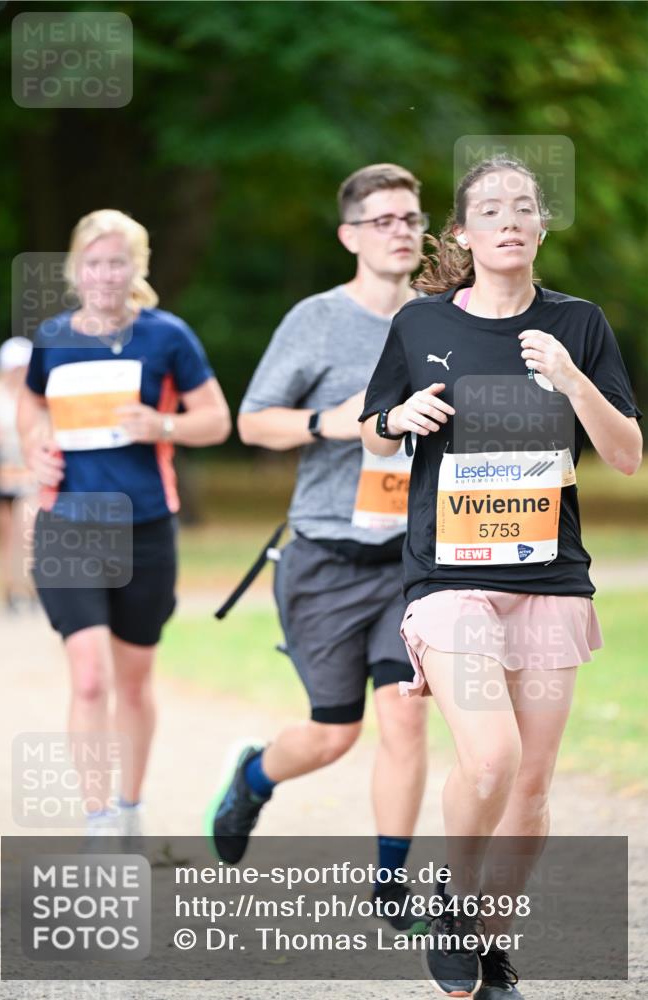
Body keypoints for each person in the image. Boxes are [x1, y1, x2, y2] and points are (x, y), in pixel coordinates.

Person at [360, 155, 642, 997]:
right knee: (489, 757)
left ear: (541, 228)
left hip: (550, 579)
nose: (510, 219)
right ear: (463, 233)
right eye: (491, 209)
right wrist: (395, 416)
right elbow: (374, 434)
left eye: (524, 206)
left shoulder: (579, 325)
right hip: (447, 577)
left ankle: (487, 944)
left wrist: (569, 376)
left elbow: (626, 456)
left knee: (529, 782)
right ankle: (450, 895)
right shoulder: (418, 324)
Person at [207, 163, 430, 934]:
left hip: (412, 558)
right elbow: (252, 422)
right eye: (383, 221)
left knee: (404, 712)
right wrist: (327, 423)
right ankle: (255, 776)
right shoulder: (316, 320)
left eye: (410, 218)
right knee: (334, 733)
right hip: (326, 559)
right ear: (350, 236)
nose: (400, 231)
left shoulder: (443, 319)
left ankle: (392, 882)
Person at [18, 209, 231, 837]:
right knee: (89, 678)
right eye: (93, 263)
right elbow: (31, 401)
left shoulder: (168, 337)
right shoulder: (53, 337)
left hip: (144, 526)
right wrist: (35, 441)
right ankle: (99, 818)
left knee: (133, 684)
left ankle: (132, 806)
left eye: (118, 262)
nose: (105, 275)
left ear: (137, 267)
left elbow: (216, 421)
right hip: (68, 524)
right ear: (75, 270)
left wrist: (162, 424)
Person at [0, 337, 38, 611]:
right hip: (4, 475)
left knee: (29, 531)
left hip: (31, 475)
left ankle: (31, 587)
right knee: (8, 536)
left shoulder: (37, 395)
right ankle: (12, 591)